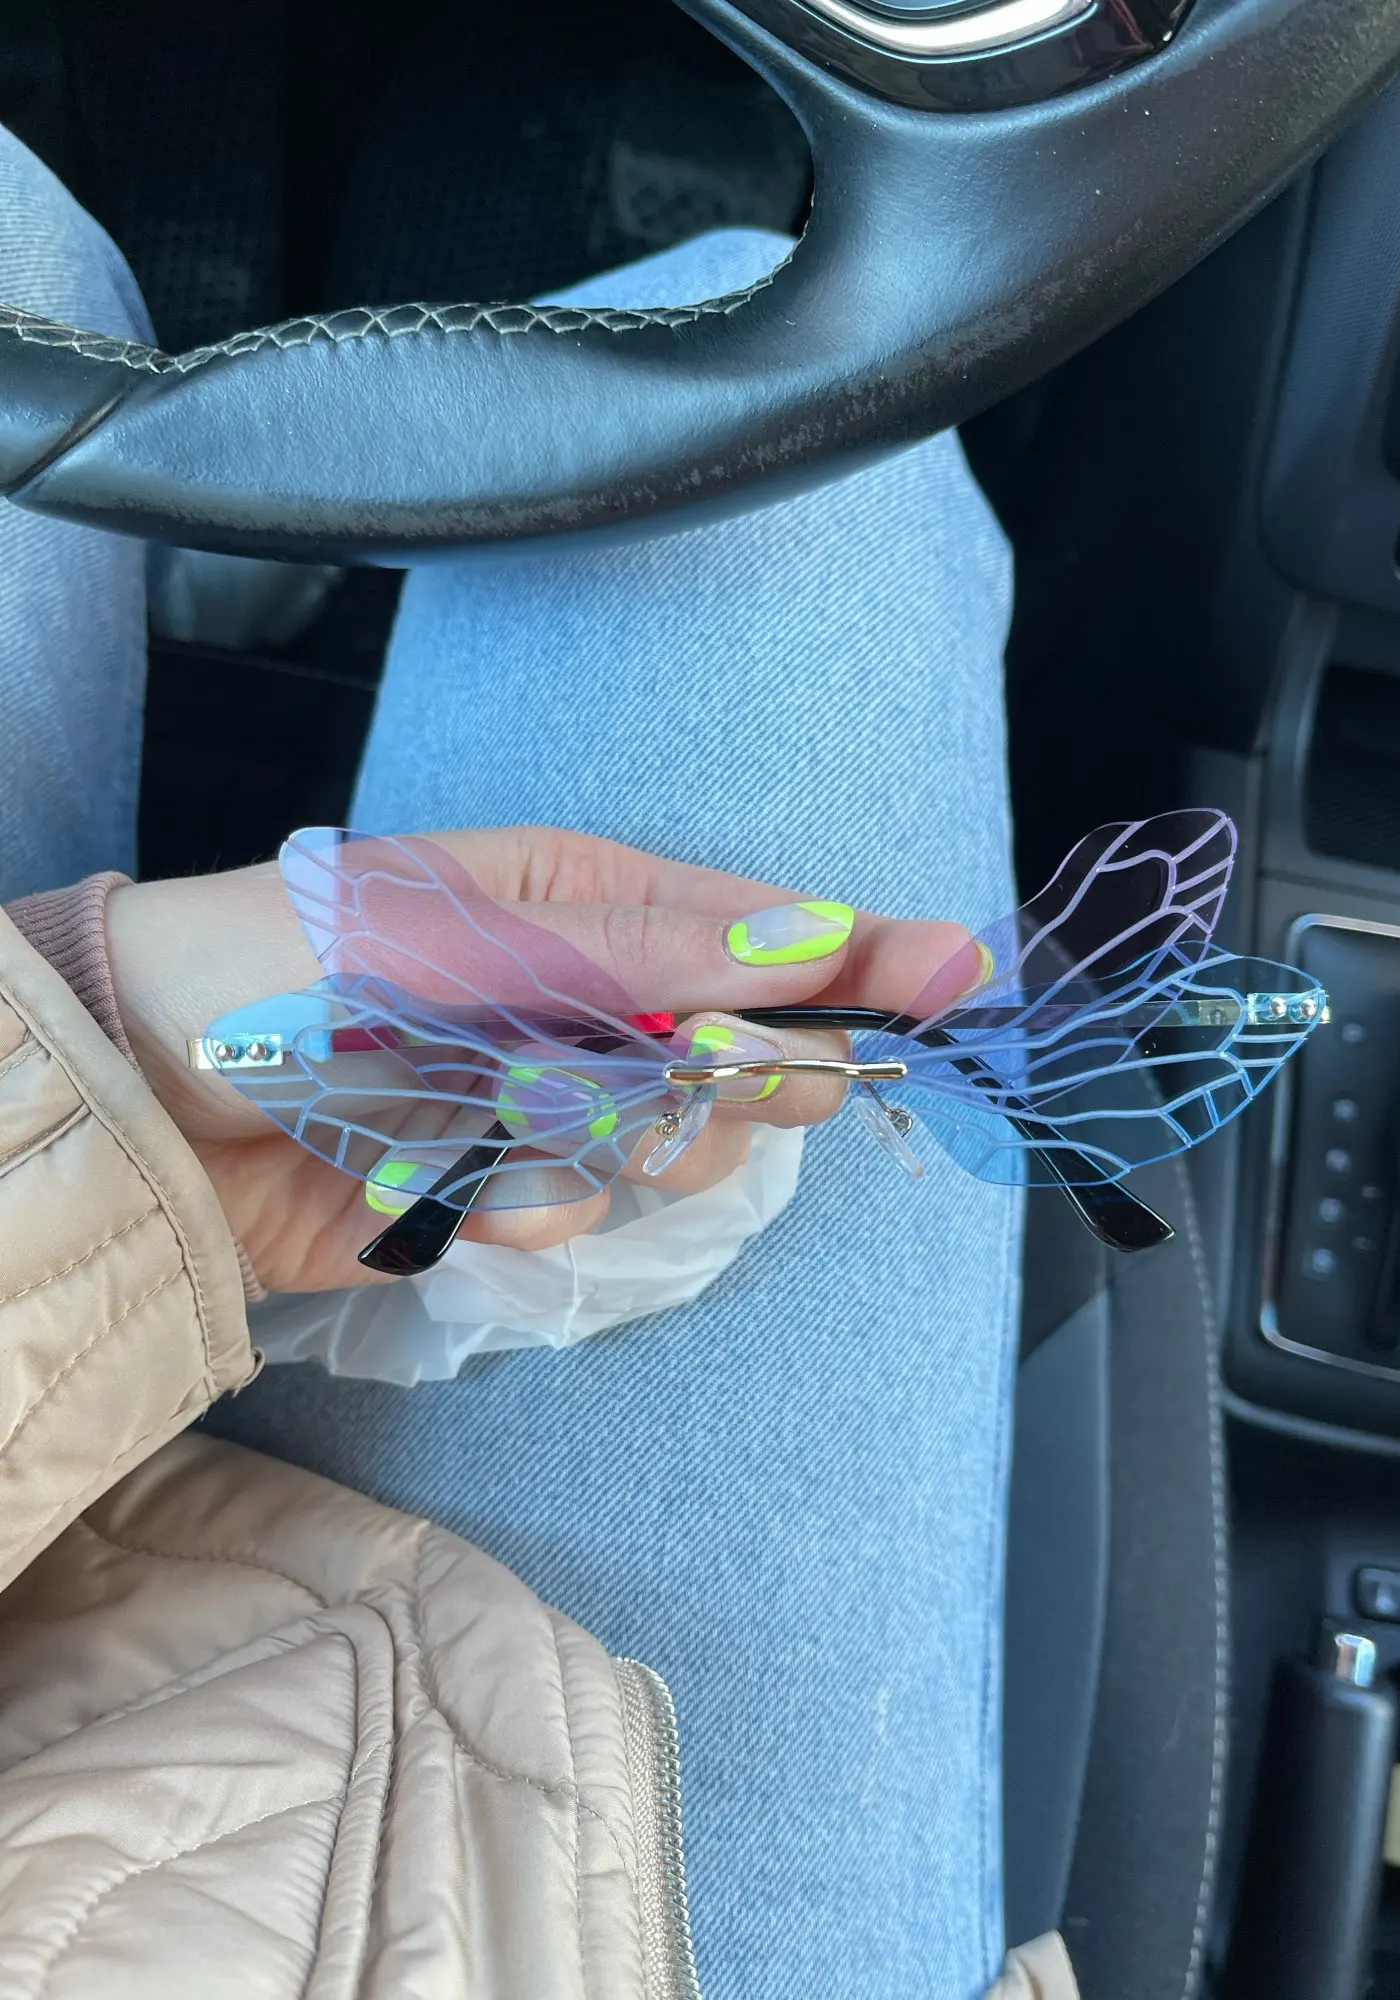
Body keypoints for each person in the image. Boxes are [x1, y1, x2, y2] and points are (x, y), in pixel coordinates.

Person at [0, 125, 1074, 1999]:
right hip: (524, 1901)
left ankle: (232, 554)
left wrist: (97, 1042)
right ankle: (244, 549)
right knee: (758, 370)